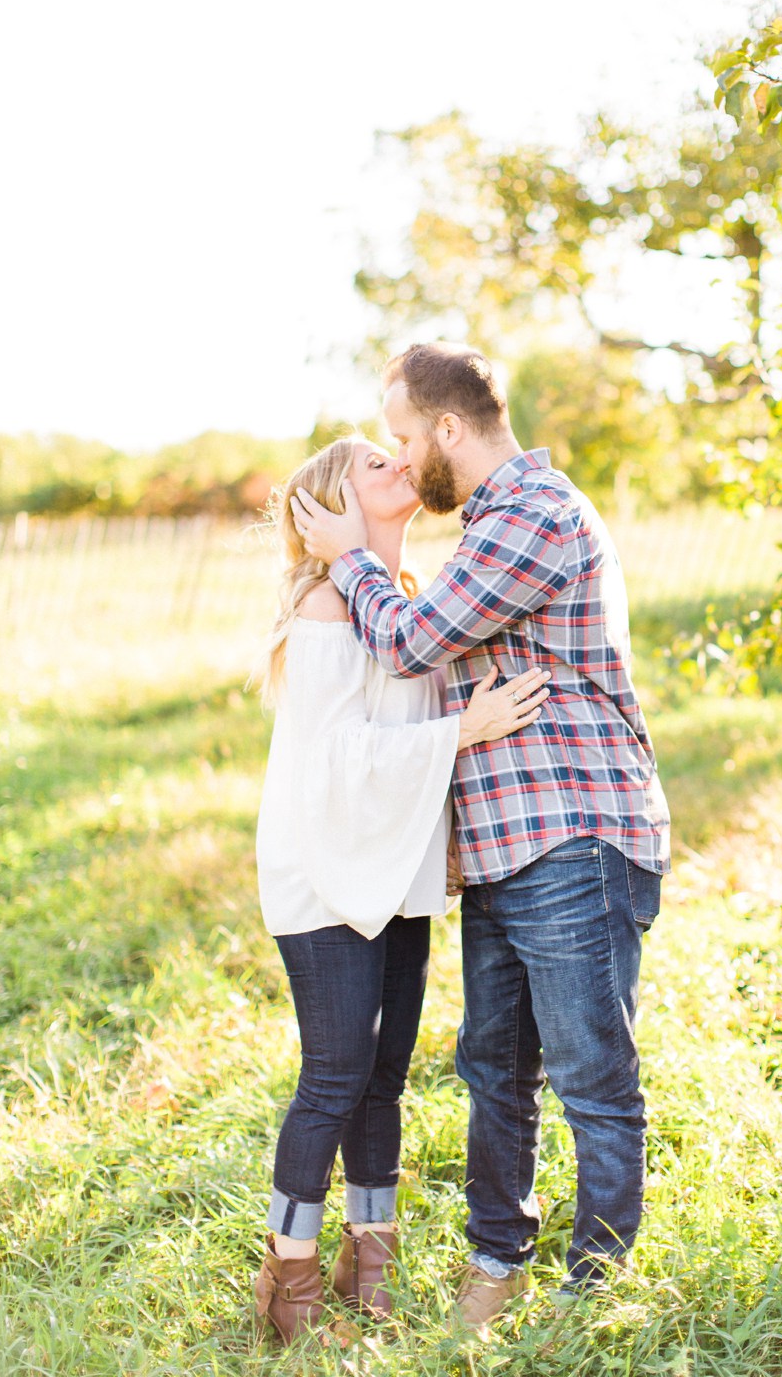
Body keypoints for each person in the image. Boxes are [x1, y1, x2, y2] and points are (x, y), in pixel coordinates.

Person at [292, 341, 671, 1329]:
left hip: (573, 835)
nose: (401, 454)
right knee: (494, 1070)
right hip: (507, 849)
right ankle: (493, 1266)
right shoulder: (489, 530)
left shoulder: (532, 517)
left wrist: (344, 560)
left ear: (447, 430)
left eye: (405, 437)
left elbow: (416, 642)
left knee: (590, 1071)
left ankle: (596, 1289)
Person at [251, 435, 548, 1344]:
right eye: (373, 465)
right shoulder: (325, 606)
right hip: (325, 869)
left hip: (397, 870)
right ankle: (289, 1279)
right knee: (336, 1073)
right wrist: (465, 727)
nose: (399, 466)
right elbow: (339, 761)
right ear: (332, 508)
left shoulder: (403, 605)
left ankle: (367, 1257)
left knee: (384, 1080)